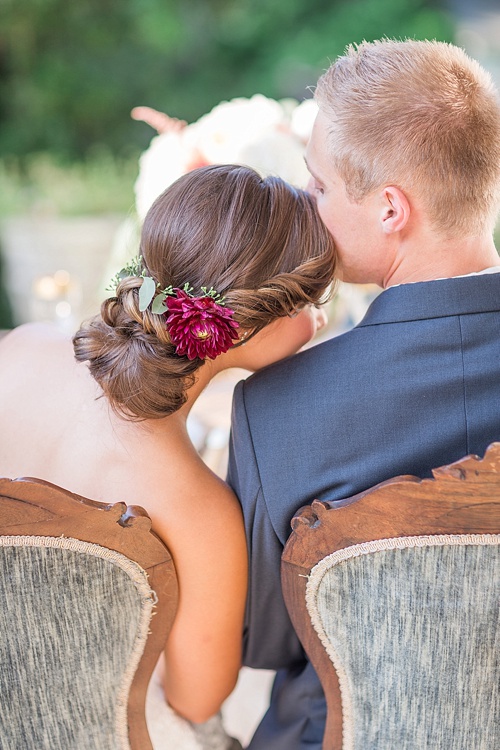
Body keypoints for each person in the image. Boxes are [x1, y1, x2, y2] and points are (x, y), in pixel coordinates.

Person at [0, 164, 336, 750]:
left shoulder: (18, 348)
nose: (323, 321)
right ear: (250, 323)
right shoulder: (196, 505)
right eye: (315, 301)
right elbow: (195, 699)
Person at [227, 38, 500, 749]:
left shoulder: (278, 409)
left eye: (318, 186)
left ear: (389, 208)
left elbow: (261, 638)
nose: (309, 206)